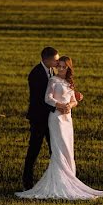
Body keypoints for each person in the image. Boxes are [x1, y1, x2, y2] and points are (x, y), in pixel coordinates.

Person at [16, 56, 103, 200]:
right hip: (57, 119)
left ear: (68, 68)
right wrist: (60, 106)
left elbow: (73, 100)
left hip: (67, 119)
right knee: (59, 148)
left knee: (68, 148)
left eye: (63, 66)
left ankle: (70, 179)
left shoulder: (69, 82)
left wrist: (70, 105)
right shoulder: (53, 80)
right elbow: (48, 98)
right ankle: (59, 182)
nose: (60, 68)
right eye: (58, 65)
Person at [22, 46, 63, 190]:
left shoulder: (52, 71)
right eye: (56, 60)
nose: (58, 63)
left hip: (50, 118)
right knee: (34, 150)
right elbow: (39, 99)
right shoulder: (36, 74)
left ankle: (58, 179)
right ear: (47, 59)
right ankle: (27, 182)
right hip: (39, 119)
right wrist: (57, 107)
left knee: (55, 149)